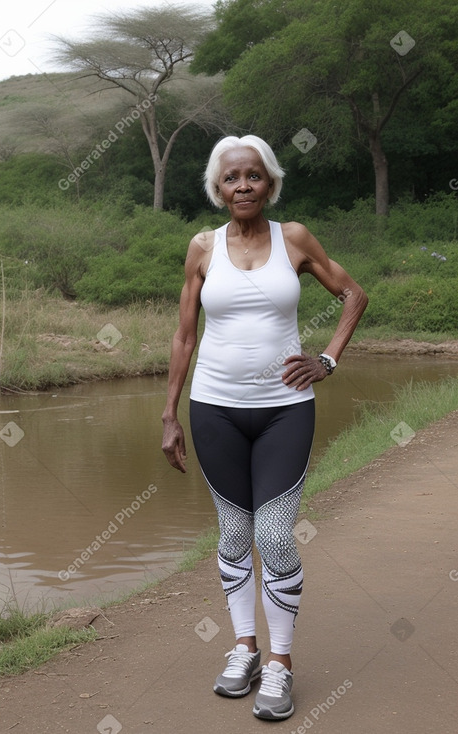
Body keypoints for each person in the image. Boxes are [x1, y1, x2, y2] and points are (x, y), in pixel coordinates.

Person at [161, 135, 368, 721]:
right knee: (233, 531)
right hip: (215, 409)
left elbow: (353, 294)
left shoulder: (294, 238)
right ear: (217, 188)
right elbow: (184, 337)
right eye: (232, 178)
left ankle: (280, 662)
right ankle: (244, 648)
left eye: (254, 176)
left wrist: (326, 359)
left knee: (274, 534)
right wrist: (170, 413)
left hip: (284, 408)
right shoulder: (202, 247)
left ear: (270, 183)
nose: (243, 185)